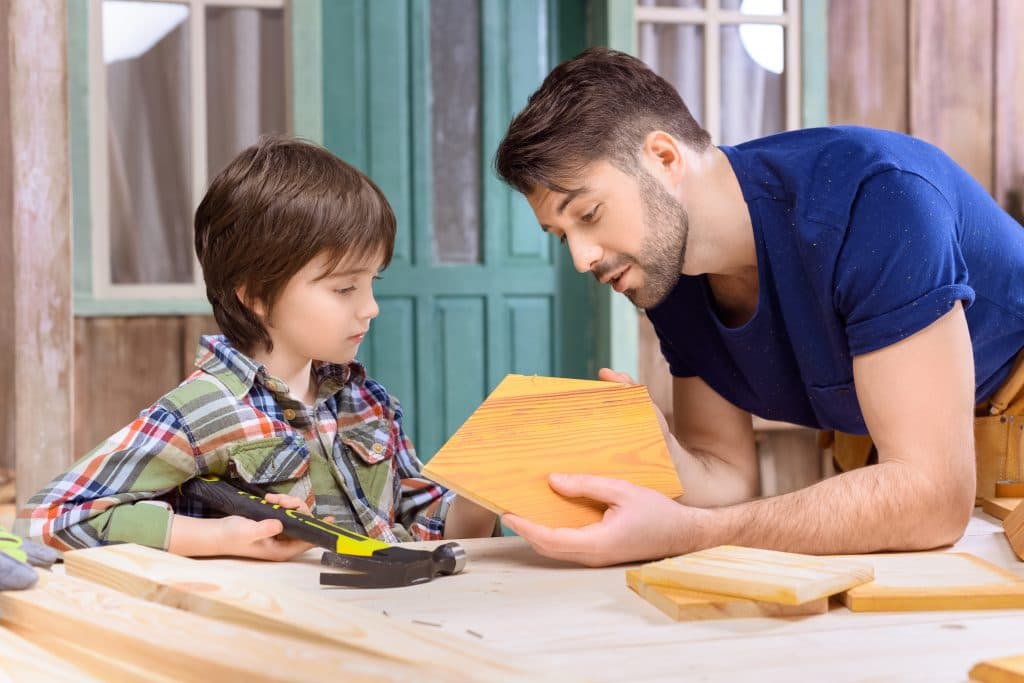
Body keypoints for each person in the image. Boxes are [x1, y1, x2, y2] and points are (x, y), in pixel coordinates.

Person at [493, 47, 1024, 566]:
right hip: (903, 478)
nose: (583, 260)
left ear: (664, 158)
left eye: (588, 213)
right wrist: (661, 453)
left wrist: (688, 535)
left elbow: (931, 499)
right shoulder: (669, 274)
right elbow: (725, 475)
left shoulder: (877, 199)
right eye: (562, 237)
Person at [16, 136, 496, 559]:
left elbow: (431, 527)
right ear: (256, 295)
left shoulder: (369, 403)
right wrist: (218, 538)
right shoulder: (204, 410)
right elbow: (46, 519)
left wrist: (486, 487)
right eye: (345, 289)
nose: (370, 308)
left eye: (373, 283)